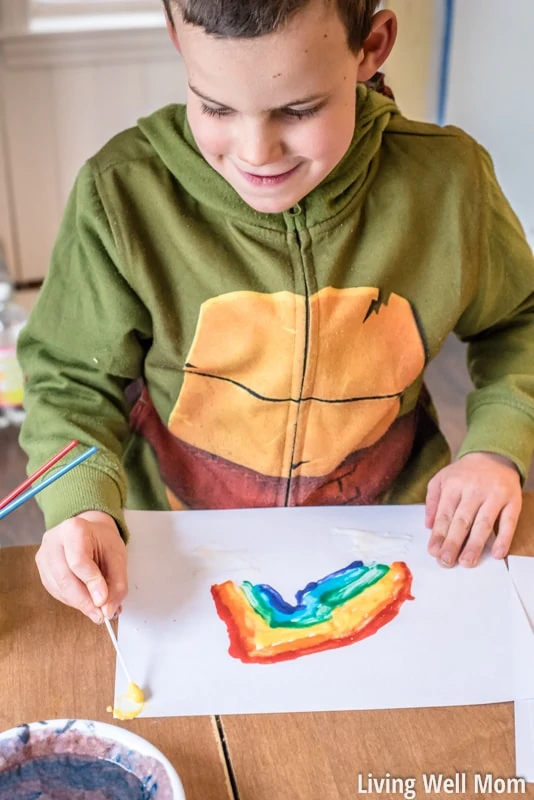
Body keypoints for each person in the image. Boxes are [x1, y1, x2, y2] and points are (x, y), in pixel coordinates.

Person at [18, 0, 534, 624]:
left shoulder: (451, 183)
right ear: (177, 36)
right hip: (178, 559)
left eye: (298, 109)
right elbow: (70, 379)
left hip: (404, 548)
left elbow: (520, 322)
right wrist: (80, 507)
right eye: (215, 107)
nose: (256, 152)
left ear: (371, 46)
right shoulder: (122, 195)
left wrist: (498, 447)